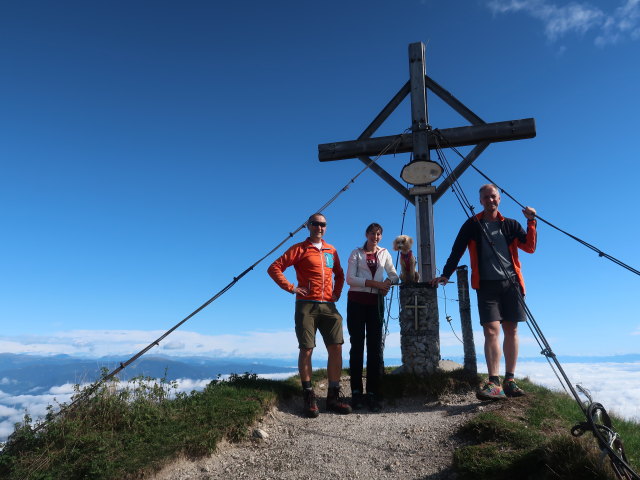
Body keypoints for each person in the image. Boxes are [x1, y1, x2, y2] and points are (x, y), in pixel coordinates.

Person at [431, 184, 537, 400]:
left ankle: (510, 379)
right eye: (486, 197)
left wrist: (531, 221)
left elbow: (529, 247)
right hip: (486, 284)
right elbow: (457, 249)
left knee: (512, 330)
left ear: (499, 199)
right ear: (480, 201)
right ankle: (494, 381)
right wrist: (446, 274)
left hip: (512, 283)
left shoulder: (511, 225)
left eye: (494, 197)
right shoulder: (472, 224)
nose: (491, 200)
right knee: (490, 330)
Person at [268, 213, 352, 417]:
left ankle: (333, 396)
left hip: (329, 306)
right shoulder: (299, 248)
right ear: (308, 226)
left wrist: (337, 292)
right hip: (306, 305)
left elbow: (339, 274)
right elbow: (274, 268)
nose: (319, 227)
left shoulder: (331, 250)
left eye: (323, 224)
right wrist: (291, 288)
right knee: (306, 349)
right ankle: (308, 396)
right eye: (315, 224)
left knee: (337, 348)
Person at [346, 223, 399, 412]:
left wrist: (386, 282)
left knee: (375, 347)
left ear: (381, 236)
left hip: (375, 303)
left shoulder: (384, 253)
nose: (375, 237)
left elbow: (394, 275)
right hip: (356, 302)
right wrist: (375, 284)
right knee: (357, 345)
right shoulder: (356, 253)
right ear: (366, 234)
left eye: (378, 234)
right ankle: (356, 392)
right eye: (372, 233)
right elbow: (350, 279)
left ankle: (373, 393)